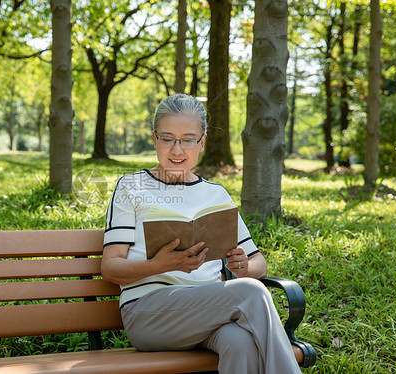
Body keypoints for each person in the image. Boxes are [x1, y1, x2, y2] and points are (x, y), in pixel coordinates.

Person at [101, 93, 301, 374]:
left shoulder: (215, 194)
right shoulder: (131, 187)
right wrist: (161, 265)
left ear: (202, 142)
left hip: (209, 311)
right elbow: (110, 268)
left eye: (188, 139)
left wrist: (243, 267)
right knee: (251, 293)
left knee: (240, 341)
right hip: (148, 312)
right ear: (155, 139)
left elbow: (259, 263)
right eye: (168, 138)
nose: (177, 150)